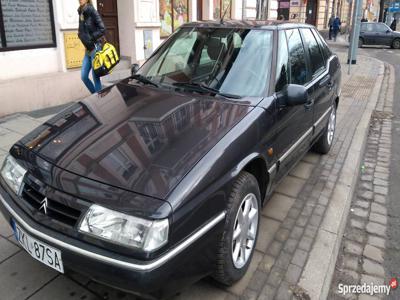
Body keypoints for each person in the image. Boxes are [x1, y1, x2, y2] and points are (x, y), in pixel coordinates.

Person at [78, 0, 106, 94]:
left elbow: (102, 29)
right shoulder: (81, 12)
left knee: (95, 77)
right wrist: (80, 35)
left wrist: (91, 38)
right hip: (87, 50)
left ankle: (98, 99)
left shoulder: (92, 11)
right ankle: (96, 96)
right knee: (84, 76)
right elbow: (82, 29)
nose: (80, 0)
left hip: (95, 48)